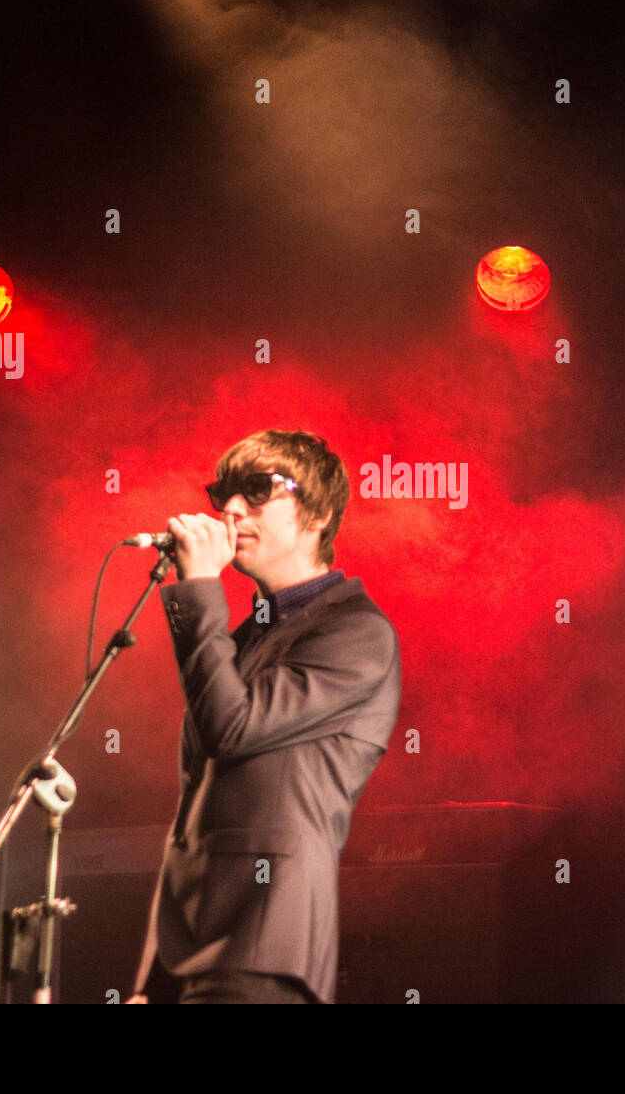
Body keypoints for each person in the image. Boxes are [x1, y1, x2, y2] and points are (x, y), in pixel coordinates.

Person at [127, 429, 401, 1004]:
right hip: (190, 955)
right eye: (223, 493)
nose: (229, 509)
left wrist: (199, 586)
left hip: (264, 947)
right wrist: (153, 978)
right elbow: (194, 815)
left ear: (319, 514)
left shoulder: (356, 632)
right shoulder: (248, 634)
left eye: (256, 491)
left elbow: (233, 728)